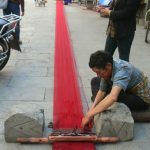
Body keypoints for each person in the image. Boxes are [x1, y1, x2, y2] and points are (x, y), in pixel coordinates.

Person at [81, 50, 150, 129]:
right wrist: (91, 110)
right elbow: (102, 90)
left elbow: (113, 97)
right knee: (95, 81)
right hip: (125, 89)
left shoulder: (122, 70)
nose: (98, 75)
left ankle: (105, 103)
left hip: (141, 99)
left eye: (99, 72)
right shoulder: (109, 66)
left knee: (114, 96)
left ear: (108, 66)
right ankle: (104, 103)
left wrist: (90, 115)